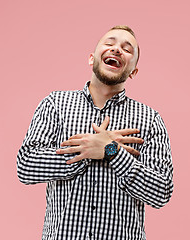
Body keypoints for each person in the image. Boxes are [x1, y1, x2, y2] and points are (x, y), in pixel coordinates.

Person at [17, 25, 174, 240]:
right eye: (109, 43)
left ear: (133, 71)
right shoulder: (55, 104)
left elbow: (161, 192)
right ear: (92, 59)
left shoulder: (150, 120)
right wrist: (87, 150)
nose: (117, 49)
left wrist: (112, 152)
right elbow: (26, 166)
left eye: (127, 49)